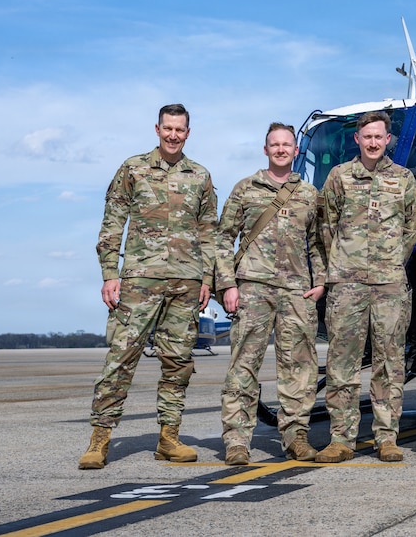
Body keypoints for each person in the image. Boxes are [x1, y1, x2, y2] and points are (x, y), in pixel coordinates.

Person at [79, 103, 217, 469]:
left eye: (180, 129)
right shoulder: (133, 168)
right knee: (121, 358)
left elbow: (209, 233)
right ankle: (100, 439)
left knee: (178, 362)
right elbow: (112, 221)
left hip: (186, 282)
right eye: (168, 128)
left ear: (188, 132)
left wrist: (207, 278)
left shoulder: (200, 175)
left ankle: (169, 439)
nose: (173, 135)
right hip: (139, 279)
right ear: (157, 129)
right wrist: (110, 273)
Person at [215, 122, 327, 466]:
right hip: (252, 288)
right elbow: (222, 239)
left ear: (296, 151)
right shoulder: (245, 189)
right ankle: (236, 441)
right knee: (243, 366)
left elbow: (318, 242)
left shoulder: (309, 194)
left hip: (296, 291)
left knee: (299, 368)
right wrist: (227, 284)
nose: (280, 149)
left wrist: (320, 280)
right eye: (274, 144)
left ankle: (295, 436)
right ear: (266, 150)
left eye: (286, 145)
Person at [315, 111, 416, 463]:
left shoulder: (404, 178)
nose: (373, 142)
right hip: (347, 284)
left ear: (388, 139)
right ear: (357, 139)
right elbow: (326, 225)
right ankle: (341, 439)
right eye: (367, 136)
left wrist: (389, 262)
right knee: (342, 361)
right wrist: (345, 264)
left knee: (389, 362)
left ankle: (386, 437)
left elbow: (411, 228)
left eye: (379, 136)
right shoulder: (339, 176)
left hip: (389, 284)